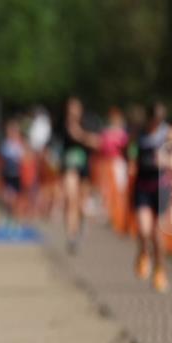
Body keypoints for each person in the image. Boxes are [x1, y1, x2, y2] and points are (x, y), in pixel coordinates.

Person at [131, 101, 172, 293]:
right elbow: (130, 152)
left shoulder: (169, 133)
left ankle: (160, 271)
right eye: (154, 118)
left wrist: (166, 160)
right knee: (144, 230)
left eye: (160, 118)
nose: (157, 122)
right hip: (142, 187)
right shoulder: (139, 133)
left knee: (158, 234)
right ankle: (143, 254)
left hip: (161, 188)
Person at [59, 96, 95, 254]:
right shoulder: (62, 125)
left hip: (84, 166)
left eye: (75, 108)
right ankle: (71, 235)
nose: (72, 112)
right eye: (70, 108)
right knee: (70, 198)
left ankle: (81, 225)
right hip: (69, 166)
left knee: (81, 203)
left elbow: (96, 142)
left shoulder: (89, 123)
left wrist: (81, 135)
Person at [0, 119, 26, 233]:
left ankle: (16, 222)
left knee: (15, 200)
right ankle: (9, 217)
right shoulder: (5, 144)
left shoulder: (20, 144)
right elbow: (2, 160)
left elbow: (24, 159)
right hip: (7, 175)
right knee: (8, 199)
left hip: (17, 176)